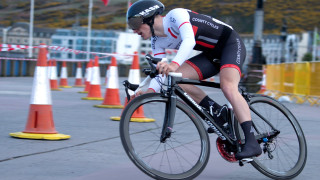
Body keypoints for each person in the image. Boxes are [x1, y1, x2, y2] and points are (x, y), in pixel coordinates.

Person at [126, 0, 262, 160]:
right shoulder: (156, 41)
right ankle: (218, 112)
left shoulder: (175, 16)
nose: (134, 30)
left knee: (228, 86)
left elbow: (189, 40)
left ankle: (252, 142)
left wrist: (175, 64)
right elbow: (161, 74)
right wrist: (148, 93)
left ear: (149, 18)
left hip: (230, 44)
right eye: (131, 26)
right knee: (176, 80)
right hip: (210, 54)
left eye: (135, 23)